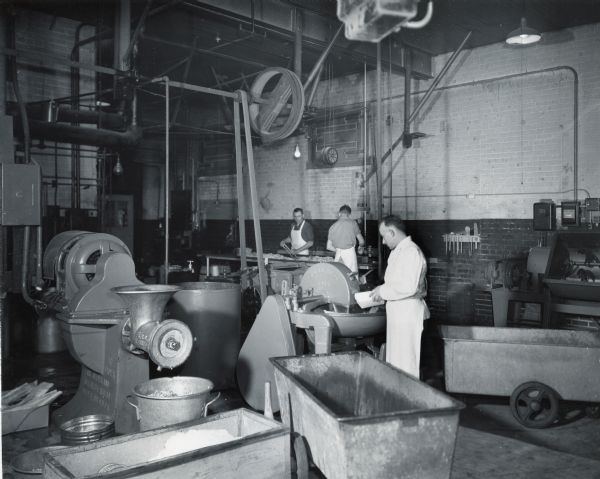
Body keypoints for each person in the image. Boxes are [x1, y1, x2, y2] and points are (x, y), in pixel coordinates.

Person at [369, 215, 429, 378]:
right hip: (398, 311)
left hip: (407, 312)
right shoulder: (399, 252)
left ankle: (409, 397)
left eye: (384, 236)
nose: (383, 242)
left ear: (392, 232)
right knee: (396, 361)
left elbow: (408, 287)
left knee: (406, 362)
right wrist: (380, 291)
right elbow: (395, 283)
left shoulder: (411, 252)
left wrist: (383, 291)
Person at [326, 205, 365, 273]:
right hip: (350, 254)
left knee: (339, 277)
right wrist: (360, 248)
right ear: (349, 214)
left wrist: (339, 250)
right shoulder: (353, 223)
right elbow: (361, 241)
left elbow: (328, 247)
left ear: (339, 214)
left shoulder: (333, 226)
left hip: (338, 256)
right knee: (352, 278)